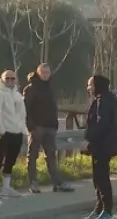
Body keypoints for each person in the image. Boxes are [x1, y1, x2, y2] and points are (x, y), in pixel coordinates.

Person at [22, 63, 74, 193]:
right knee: (32, 156)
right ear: (38, 73)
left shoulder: (50, 88)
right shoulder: (30, 88)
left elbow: (53, 107)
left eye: (47, 72)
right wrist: (31, 127)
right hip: (37, 127)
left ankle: (57, 183)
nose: (45, 75)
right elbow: (26, 109)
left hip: (50, 127)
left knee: (51, 156)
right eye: (43, 72)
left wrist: (55, 124)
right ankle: (33, 183)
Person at [83, 74, 117, 219]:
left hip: (103, 145)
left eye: (90, 85)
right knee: (97, 179)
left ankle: (107, 211)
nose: (88, 88)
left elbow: (101, 124)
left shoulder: (104, 101)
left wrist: (89, 139)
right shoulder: (102, 99)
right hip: (99, 145)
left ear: (97, 85)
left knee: (102, 178)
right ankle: (99, 208)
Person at [0, 70, 28, 198]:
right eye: (7, 78)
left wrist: (23, 129)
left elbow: (22, 114)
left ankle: (6, 188)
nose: (10, 80)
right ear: (2, 79)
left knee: (10, 161)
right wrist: (2, 130)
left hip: (17, 132)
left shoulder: (17, 95)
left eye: (12, 78)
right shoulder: (1, 93)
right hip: (4, 132)